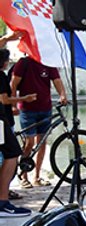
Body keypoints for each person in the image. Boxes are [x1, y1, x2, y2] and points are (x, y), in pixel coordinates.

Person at [11, 56, 68, 189]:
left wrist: (62, 94)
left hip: (45, 108)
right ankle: (23, 176)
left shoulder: (49, 62)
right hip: (27, 109)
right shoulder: (23, 63)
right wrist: (14, 105)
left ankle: (36, 176)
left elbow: (57, 80)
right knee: (29, 142)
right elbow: (13, 84)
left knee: (42, 143)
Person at [0, 49, 34, 216]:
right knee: (13, 153)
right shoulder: (0, 76)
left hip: (2, 121)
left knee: (7, 153)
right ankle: (3, 201)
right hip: (0, 121)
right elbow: (4, 99)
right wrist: (23, 99)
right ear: (5, 62)